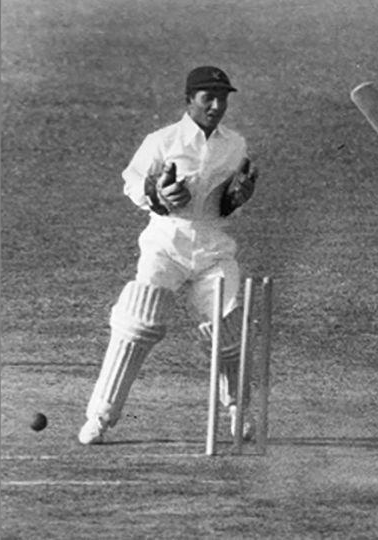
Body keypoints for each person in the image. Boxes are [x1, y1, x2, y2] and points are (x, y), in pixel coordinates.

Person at [78, 66, 260, 445]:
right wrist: (156, 194)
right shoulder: (161, 140)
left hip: (213, 245)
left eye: (222, 98)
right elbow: (132, 184)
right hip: (166, 242)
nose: (216, 105)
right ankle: (100, 416)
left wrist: (237, 200)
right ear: (189, 100)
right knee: (136, 322)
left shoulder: (236, 145)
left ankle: (237, 412)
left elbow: (230, 202)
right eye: (207, 97)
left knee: (229, 332)